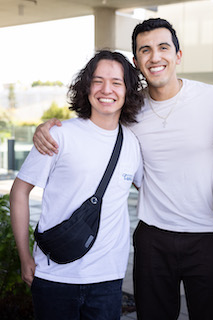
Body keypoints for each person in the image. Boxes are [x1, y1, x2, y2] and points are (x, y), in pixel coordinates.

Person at [32, 18, 213, 320]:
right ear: (136, 62)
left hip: (207, 237)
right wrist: (45, 128)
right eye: (145, 50)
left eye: (163, 47)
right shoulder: (130, 110)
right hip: (153, 237)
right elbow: (97, 128)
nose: (155, 57)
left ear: (178, 55)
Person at [9, 50, 144, 320]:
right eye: (98, 81)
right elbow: (19, 192)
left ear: (128, 90)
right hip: (53, 275)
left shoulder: (132, 143)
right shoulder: (59, 135)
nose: (107, 89)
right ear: (87, 86)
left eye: (117, 82)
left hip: (107, 278)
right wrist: (25, 257)